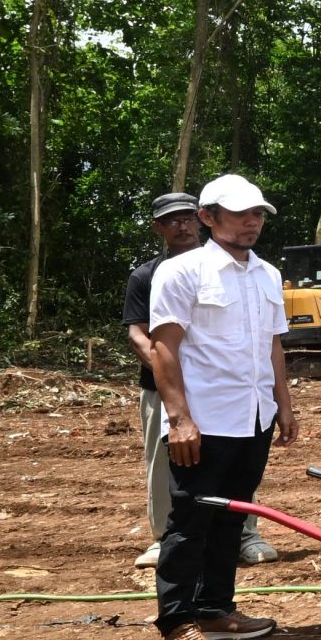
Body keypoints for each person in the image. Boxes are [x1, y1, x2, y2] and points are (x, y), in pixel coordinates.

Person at [145, 173, 294, 640]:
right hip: (204, 422)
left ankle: (215, 609)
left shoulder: (267, 274)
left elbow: (273, 344)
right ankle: (176, 623)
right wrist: (178, 418)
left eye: (257, 214)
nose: (252, 223)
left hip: (254, 418)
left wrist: (283, 404)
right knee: (189, 521)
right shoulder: (183, 271)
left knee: (232, 517)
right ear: (208, 217)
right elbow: (163, 348)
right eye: (240, 214)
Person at [125, 191, 200, 570]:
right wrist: (168, 371)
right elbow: (138, 333)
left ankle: (243, 533)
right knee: (163, 460)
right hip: (160, 389)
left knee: (232, 458)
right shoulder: (146, 276)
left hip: (219, 387)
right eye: (172, 220)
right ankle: (164, 538)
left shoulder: (224, 269)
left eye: (187, 218)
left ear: (201, 220)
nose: (182, 226)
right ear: (158, 228)